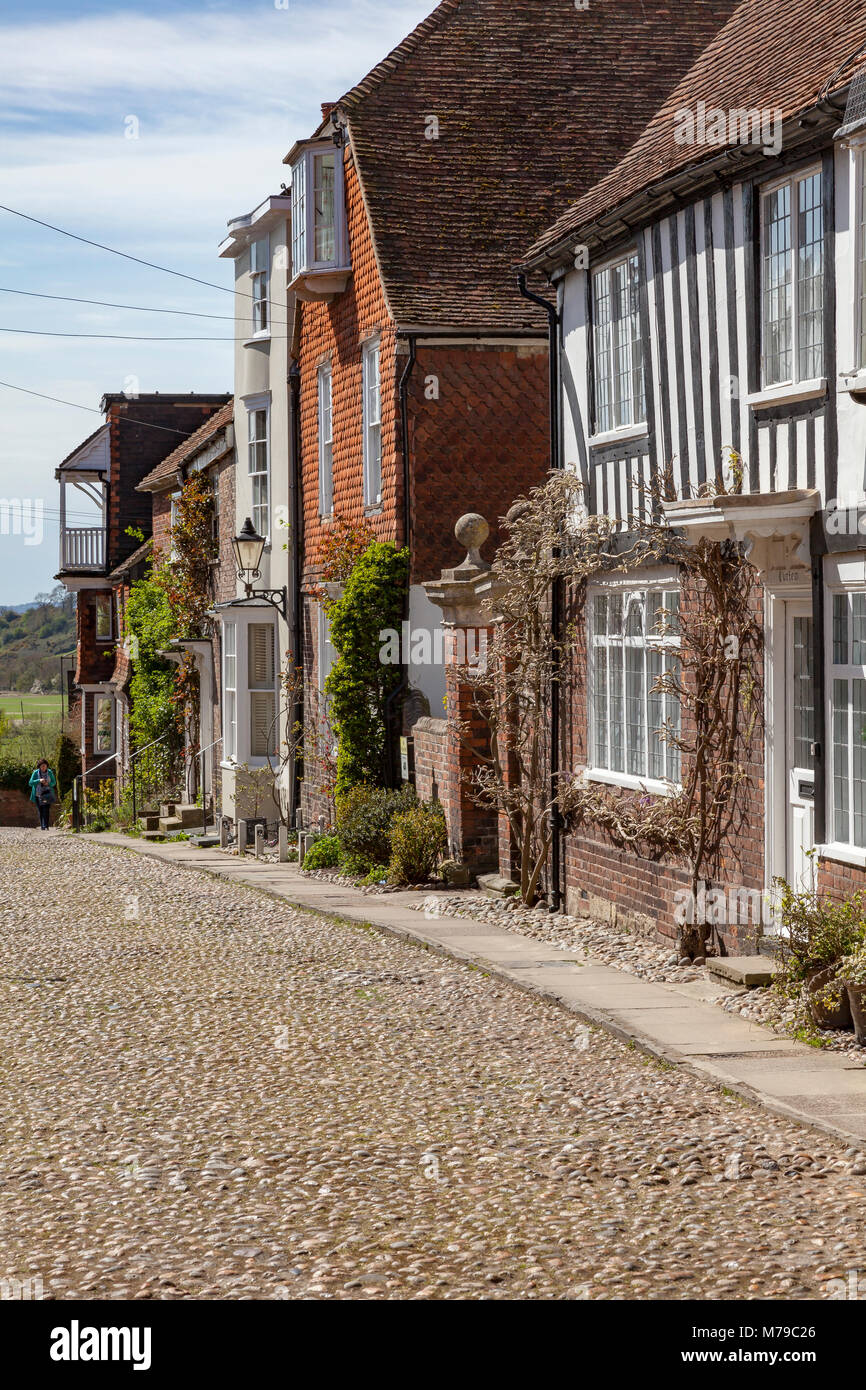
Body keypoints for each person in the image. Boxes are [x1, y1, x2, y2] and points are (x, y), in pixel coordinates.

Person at [29, 758, 57, 830]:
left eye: (45, 766)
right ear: (39, 767)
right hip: (38, 795)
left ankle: (46, 826)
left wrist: (49, 783)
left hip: (47, 794)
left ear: (47, 766)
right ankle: (42, 826)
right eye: (42, 766)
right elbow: (30, 783)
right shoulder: (35, 773)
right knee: (40, 810)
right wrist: (39, 780)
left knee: (46, 810)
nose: (43, 767)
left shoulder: (50, 772)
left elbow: (54, 782)